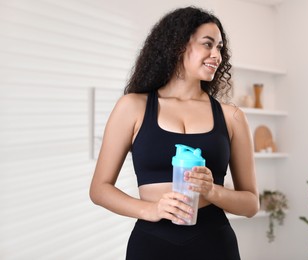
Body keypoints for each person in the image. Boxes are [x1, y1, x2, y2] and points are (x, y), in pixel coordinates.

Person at [89, 6, 259, 260]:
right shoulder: (133, 107)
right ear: (178, 45)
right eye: (208, 44)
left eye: (220, 48)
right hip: (151, 244)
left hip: (214, 244)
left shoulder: (232, 117)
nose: (217, 55)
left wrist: (212, 191)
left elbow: (251, 204)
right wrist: (151, 210)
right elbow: (99, 189)